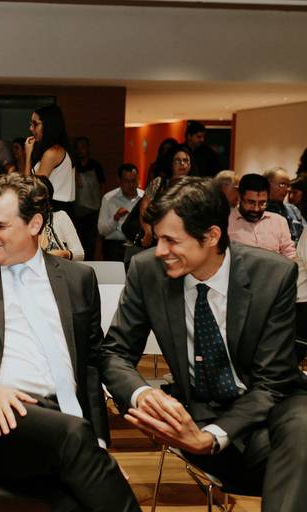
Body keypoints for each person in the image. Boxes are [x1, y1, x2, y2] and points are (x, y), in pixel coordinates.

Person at [0, 174, 140, 512]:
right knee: (75, 441)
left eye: (1, 225)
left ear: (35, 224)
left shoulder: (77, 278)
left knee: (73, 500)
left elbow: (90, 363)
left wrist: (97, 444)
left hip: (63, 420)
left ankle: (87, 462)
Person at [99, 176, 307, 512]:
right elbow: (115, 353)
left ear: (211, 236)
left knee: (302, 427)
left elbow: (273, 382)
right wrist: (143, 394)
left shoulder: (273, 275)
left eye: (171, 240)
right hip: (199, 410)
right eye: (158, 237)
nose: (159, 251)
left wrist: (211, 437)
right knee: (293, 462)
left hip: (272, 405)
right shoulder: (147, 270)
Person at [133, 144, 195, 249]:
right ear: (171, 163)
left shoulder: (195, 187)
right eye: (178, 160)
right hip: (157, 239)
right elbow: (144, 208)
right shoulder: (159, 183)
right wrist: (148, 231)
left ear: (190, 164)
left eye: (185, 160)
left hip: (185, 240)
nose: (182, 164)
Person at [24, 104, 75, 217]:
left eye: (35, 124)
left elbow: (31, 189)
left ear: (49, 125)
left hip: (55, 210)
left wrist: (28, 155)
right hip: (54, 208)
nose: (31, 128)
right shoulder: (54, 150)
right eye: (31, 124)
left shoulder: (53, 152)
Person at [228, 173, 295, 259]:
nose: (256, 209)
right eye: (251, 202)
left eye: (262, 203)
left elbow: (290, 254)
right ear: (239, 197)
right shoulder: (225, 221)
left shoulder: (279, 221)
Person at [98, 164, 144, 262]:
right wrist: (116, 217)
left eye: (133, 181)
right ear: (119, 181)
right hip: (114, 245)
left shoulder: (144, 198)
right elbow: (102, 230)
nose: (131, 185)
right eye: (127, 181)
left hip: (138, 245)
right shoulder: (108, 198)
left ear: (138, 180)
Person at [37, 176, 85, 261]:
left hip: (60, 268)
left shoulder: (60, 217)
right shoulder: (22, 222)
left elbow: (80, 254)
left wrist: (65, 254)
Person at [72, 136, 104, 260]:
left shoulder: (95, 165)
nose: (80, 150)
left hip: (93, 211)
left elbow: (102, 185)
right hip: (76, 211)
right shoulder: (72, 166)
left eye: (83, 147)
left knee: (91, 242)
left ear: (88, 148)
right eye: (78, 147)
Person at [264, 167, 305, 243]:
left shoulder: (293, 209)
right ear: (267, 185)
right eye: (282, 184)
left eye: (288, 185)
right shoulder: (258, 210)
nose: (287, 189)